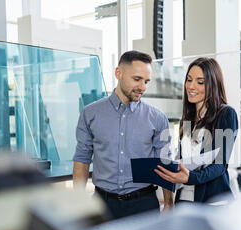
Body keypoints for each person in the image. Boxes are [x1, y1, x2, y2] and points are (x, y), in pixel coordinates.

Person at [73, 50, 174, 219]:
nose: (142, 87)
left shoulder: (157, 118)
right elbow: (82, 159)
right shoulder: (90, 113)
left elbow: (165, 163)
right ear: (118, 73)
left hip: (144, 204)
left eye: (146, 81)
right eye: (137, 79)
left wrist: (170, 204)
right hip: (102, 205)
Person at [154, 57, 238, 204]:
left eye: (200, 82)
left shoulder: (225, 114)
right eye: (189, 80)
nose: (191, 87)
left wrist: (190, 178)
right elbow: (182, 160)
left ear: (213, 84)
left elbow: (220, 165)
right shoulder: (187, 118)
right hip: (184, 201)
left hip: (212, 203)